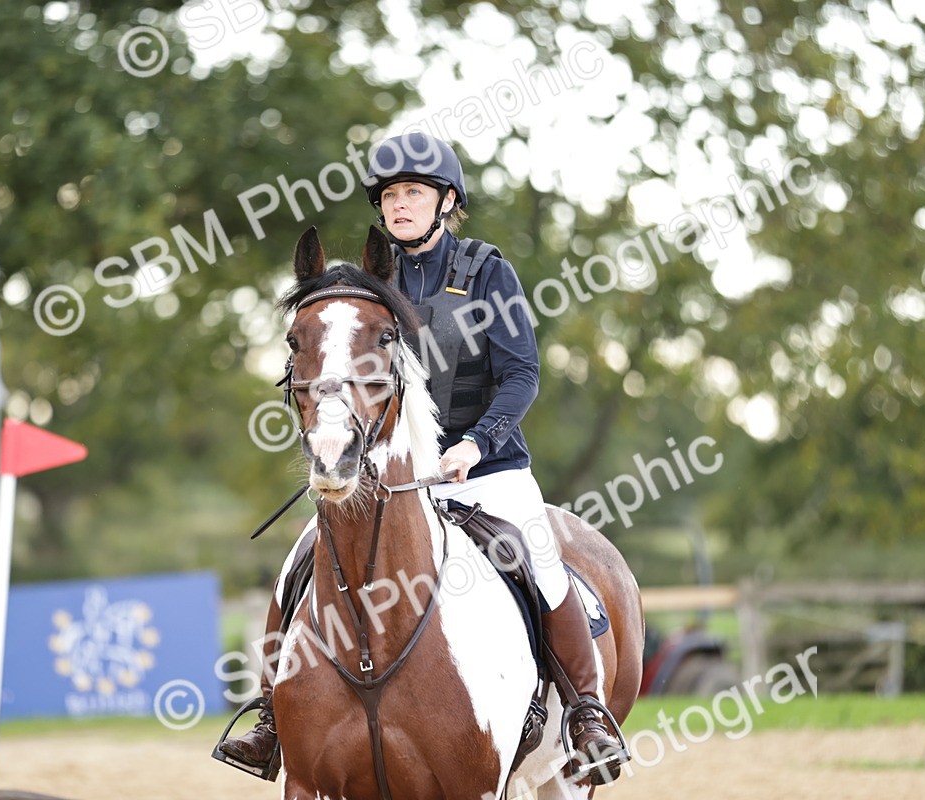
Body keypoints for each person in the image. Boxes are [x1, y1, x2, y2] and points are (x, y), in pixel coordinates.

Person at [218, 132, 626, 784]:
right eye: (388, 195)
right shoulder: (371, 283)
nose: (399, 205)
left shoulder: (486, 270)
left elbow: (521, 375)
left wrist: (476, 443)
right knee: (297, 564)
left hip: (486, 470)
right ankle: (270, 718)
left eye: (413, 192)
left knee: (541, 560)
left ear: (446, 200)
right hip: (390, 475)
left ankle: (587, 714)